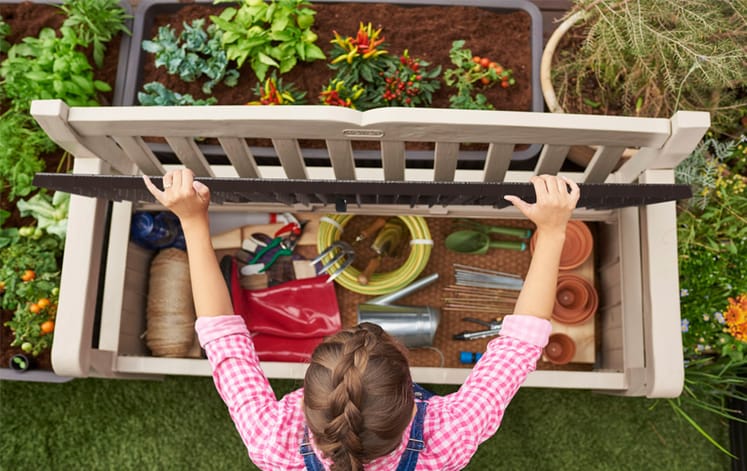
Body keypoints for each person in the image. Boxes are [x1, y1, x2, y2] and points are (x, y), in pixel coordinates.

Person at [143, 171, 581, 471]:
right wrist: (556, 230)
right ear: (411, 395)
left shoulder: (273, 438)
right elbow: (521, 343)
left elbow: (221, 336)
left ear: (302, 402)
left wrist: (192, 220)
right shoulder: (449, 434)